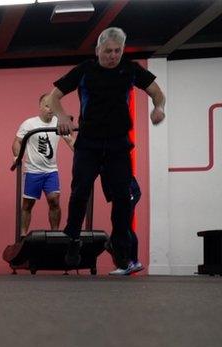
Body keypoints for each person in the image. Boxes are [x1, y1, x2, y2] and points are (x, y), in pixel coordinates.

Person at [46, 27, 166, 270]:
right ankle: (73, 239)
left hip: (118, 143)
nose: (112, 56)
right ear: (98, 50)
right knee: (80, 191)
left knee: (123, 196)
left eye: (117, 51)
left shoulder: (130, 69)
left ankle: (120, 247)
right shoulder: (85, 70)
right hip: (89, 142)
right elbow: (53, 97)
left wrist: (159, 108)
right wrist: (61, 117)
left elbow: (156, 92)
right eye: (108, 51)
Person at [13, 94, 75, 236]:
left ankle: (55, 235)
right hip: (32, 171)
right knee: (27, 204)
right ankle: (22, 236)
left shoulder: (59, 123)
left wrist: (84, 154)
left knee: (54, 200)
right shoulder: (29, 124)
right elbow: (17, 142)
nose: (50, 109)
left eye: (52, 106)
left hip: (51, 171)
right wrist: (17, 157)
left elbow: (71, 141)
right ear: (40, 106)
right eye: (47, 106)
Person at [110, 176, 145, 275]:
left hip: (126, 199)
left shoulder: (119, 169)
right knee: (126, 228)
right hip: (126, 198)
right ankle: (133, 262)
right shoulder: (122, 170)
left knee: (124, 229)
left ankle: (127, 263)